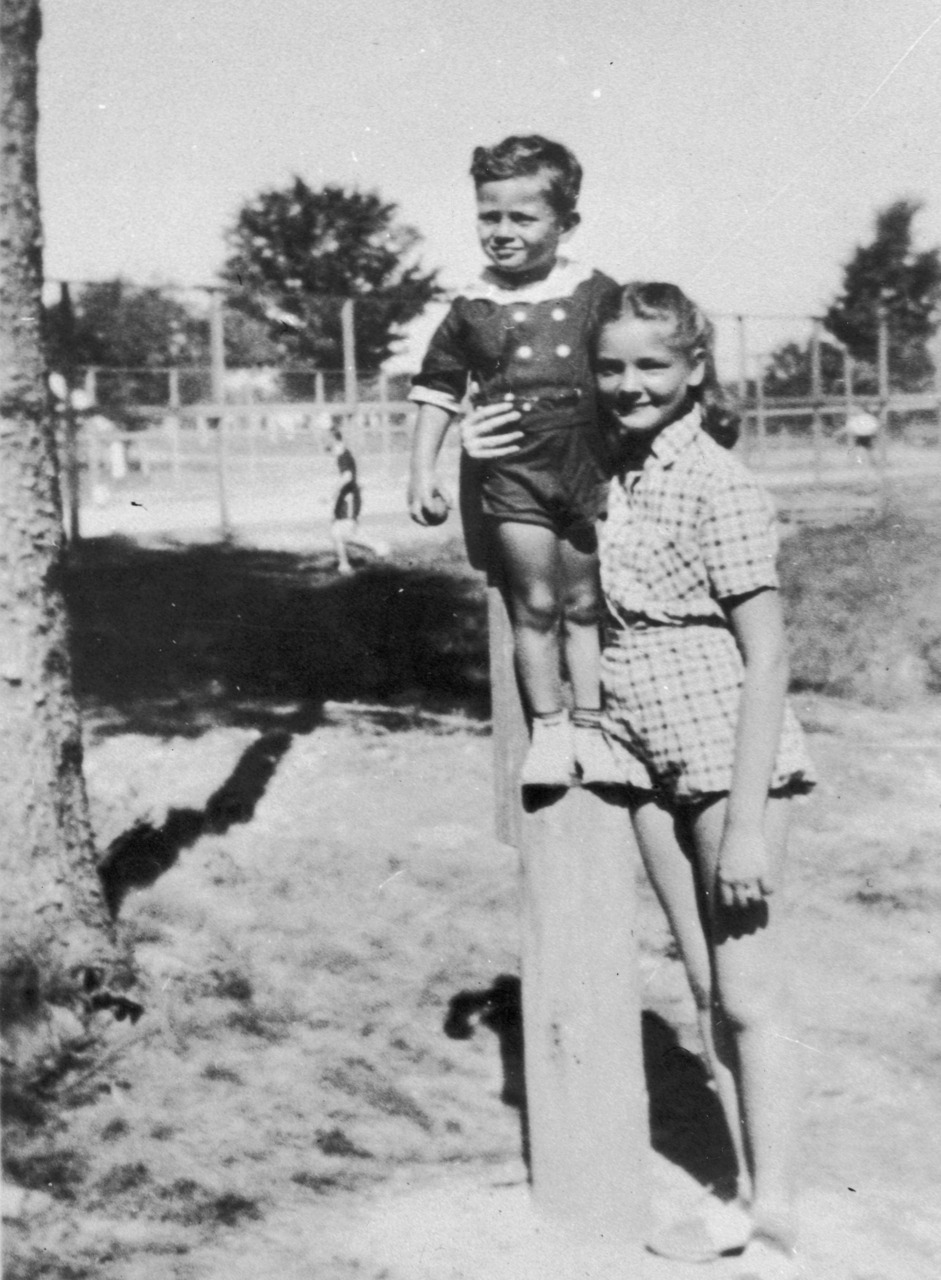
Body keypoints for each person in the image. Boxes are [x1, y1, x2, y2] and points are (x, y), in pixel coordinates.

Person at [463, 282, 815, 1279]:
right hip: (641, 749)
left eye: (650, 365)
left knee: (748, 991)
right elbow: (519, 561)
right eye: (610, 366)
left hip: (723, 751)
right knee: (703, 983)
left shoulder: (718, 483)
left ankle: (780, 1217)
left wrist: (745, 822)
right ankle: (743, 1194)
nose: (627, 384)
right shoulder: (604, 469)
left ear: (693, 367)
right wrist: (479, 454)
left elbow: (769, 659)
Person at [407, 134, 622, 786]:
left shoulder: (595, 293)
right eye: (488, 216)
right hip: (514, 481)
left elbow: (634, 366)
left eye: (521, 218)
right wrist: (423, 471)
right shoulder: (472, 305)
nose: (500, 232)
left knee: (585, 603)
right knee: (532, 604)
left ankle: (594, 729)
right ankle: (550, 735)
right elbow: (437, 389)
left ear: (565, 223)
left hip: (588, 476)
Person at [328, 426, 388, 575]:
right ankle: (344, 566)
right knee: (336, 532)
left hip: (348, 500)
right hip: (346, 498)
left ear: (333, 440)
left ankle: (377, 546)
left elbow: (347, 477)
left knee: (346, 534)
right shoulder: (342, 455)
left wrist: (333, 494)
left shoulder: (343, 456)